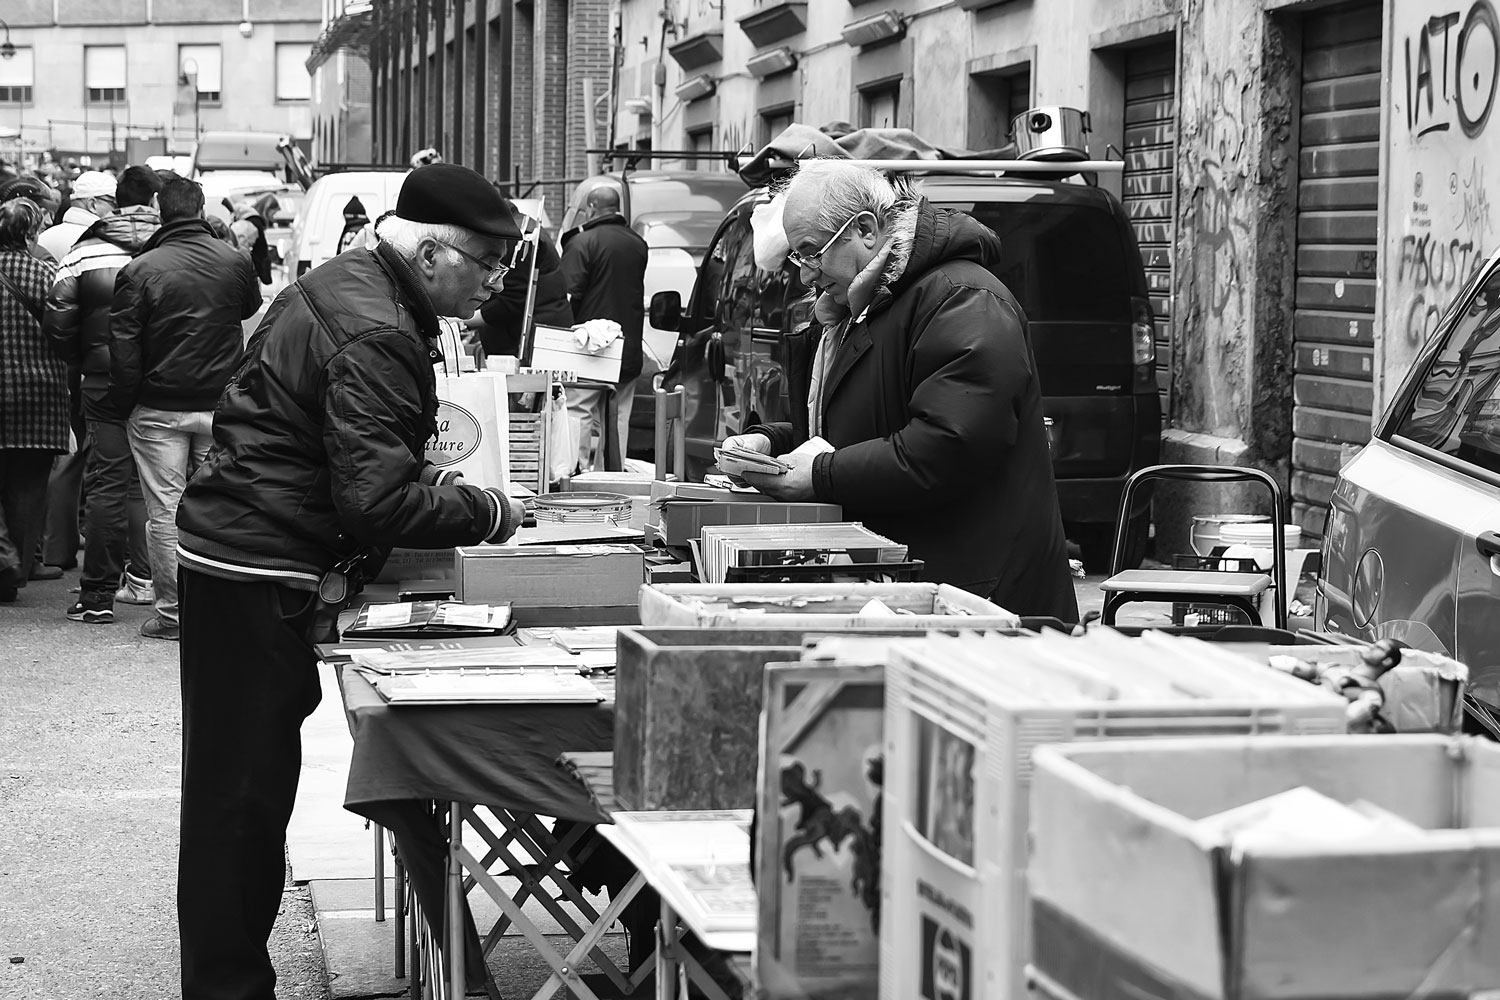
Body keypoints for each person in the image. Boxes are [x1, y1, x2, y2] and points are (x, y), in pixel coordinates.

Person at [173, 162, 526, 1000]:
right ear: (434, 255)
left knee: (239, 790)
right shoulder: (380, 327)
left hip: (253, 550)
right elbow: (375, 502)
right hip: (256, 564)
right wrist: (486, 512)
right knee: (240, 800)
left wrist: (423, 487)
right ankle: (224, 987)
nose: (493, 283)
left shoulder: (359, 282)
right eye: (486, 264)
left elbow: (350, 459)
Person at [726, 159, 1078, 621]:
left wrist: (820, 474)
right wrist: (772, 443)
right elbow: (860, 426)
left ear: (867, 230)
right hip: (920, 585)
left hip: (983, 599)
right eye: (797, 256)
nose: (805, 275)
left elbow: (948, 445)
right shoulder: (859, 306)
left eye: (811, 252)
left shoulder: (962, 298)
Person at [108, 175, 262, 640]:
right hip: (218, 404)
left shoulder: (140, 269)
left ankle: (175, 615)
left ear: (160, 207)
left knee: (165, 511)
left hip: (158, 405)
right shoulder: (233, 260)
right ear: (199, 208)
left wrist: (123, 402)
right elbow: (248, 309)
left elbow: (124, 347)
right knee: (216, 507)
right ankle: (216, 608)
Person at [45, 165, 164, 623]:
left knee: (107, 483)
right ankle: (149, 580)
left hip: (102, 382)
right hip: (161, 384)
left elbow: (58, 319)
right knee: (153, 486)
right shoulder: (168, 248)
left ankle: (96, 595)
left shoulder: (85, 252)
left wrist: (82, 359)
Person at [0, 197, 67, 603]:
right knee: (27, 486)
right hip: (37, 396)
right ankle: (15, 571)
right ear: (30, 234)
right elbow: (65, 331)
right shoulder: (46, 274)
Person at [559, 185, 647, 472]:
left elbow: (568, 297)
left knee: (579, 411)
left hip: (589, 347)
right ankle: (612, 475)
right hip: (627, 346)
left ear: (592, 209)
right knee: (618, 415)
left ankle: (573, 472)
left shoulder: (582, 242)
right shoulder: (637, 243)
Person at [472, 204, 572, 358]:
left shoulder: (515, 237)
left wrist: (466, 320)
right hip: (538, 330)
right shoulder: (523, 226)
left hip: (525, 339)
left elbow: (512, 300)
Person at [36, 169, 117, 263]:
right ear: (92, 205)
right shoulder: (100, 245)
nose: (117, 210)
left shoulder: (43, 239)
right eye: (113, 204)